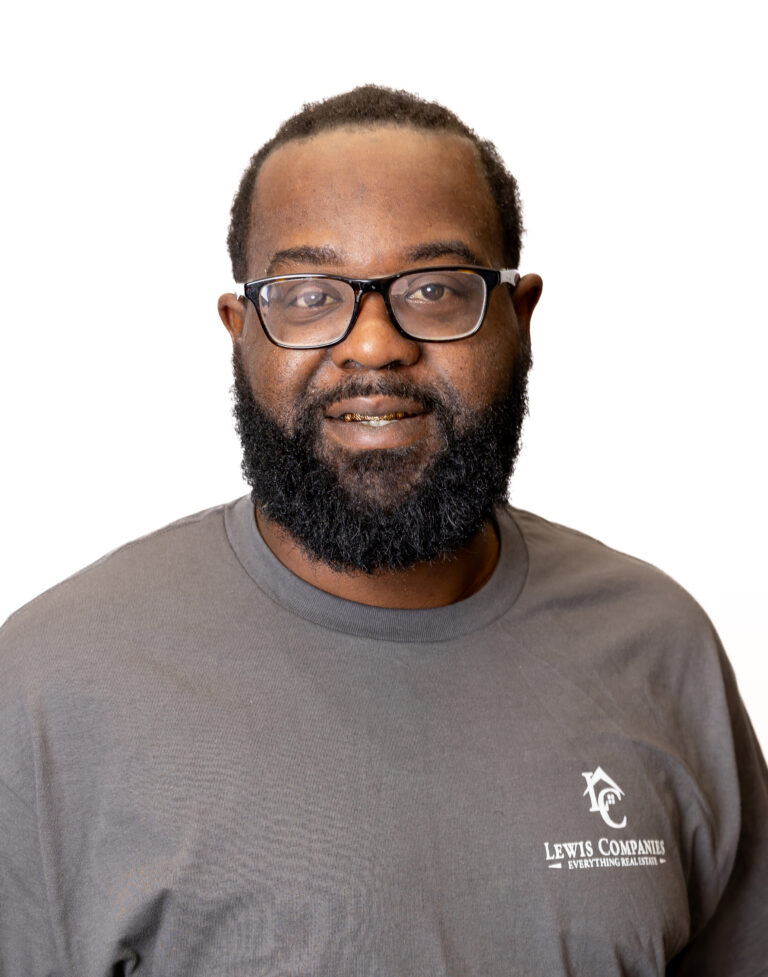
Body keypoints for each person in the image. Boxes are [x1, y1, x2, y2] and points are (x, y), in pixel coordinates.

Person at [0, 85, 765, 977]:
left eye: (435, 290)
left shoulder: (660, 647)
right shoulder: (53, 686)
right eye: (310, 294)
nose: (372, 345)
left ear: (518, 319)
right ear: (240, 330)